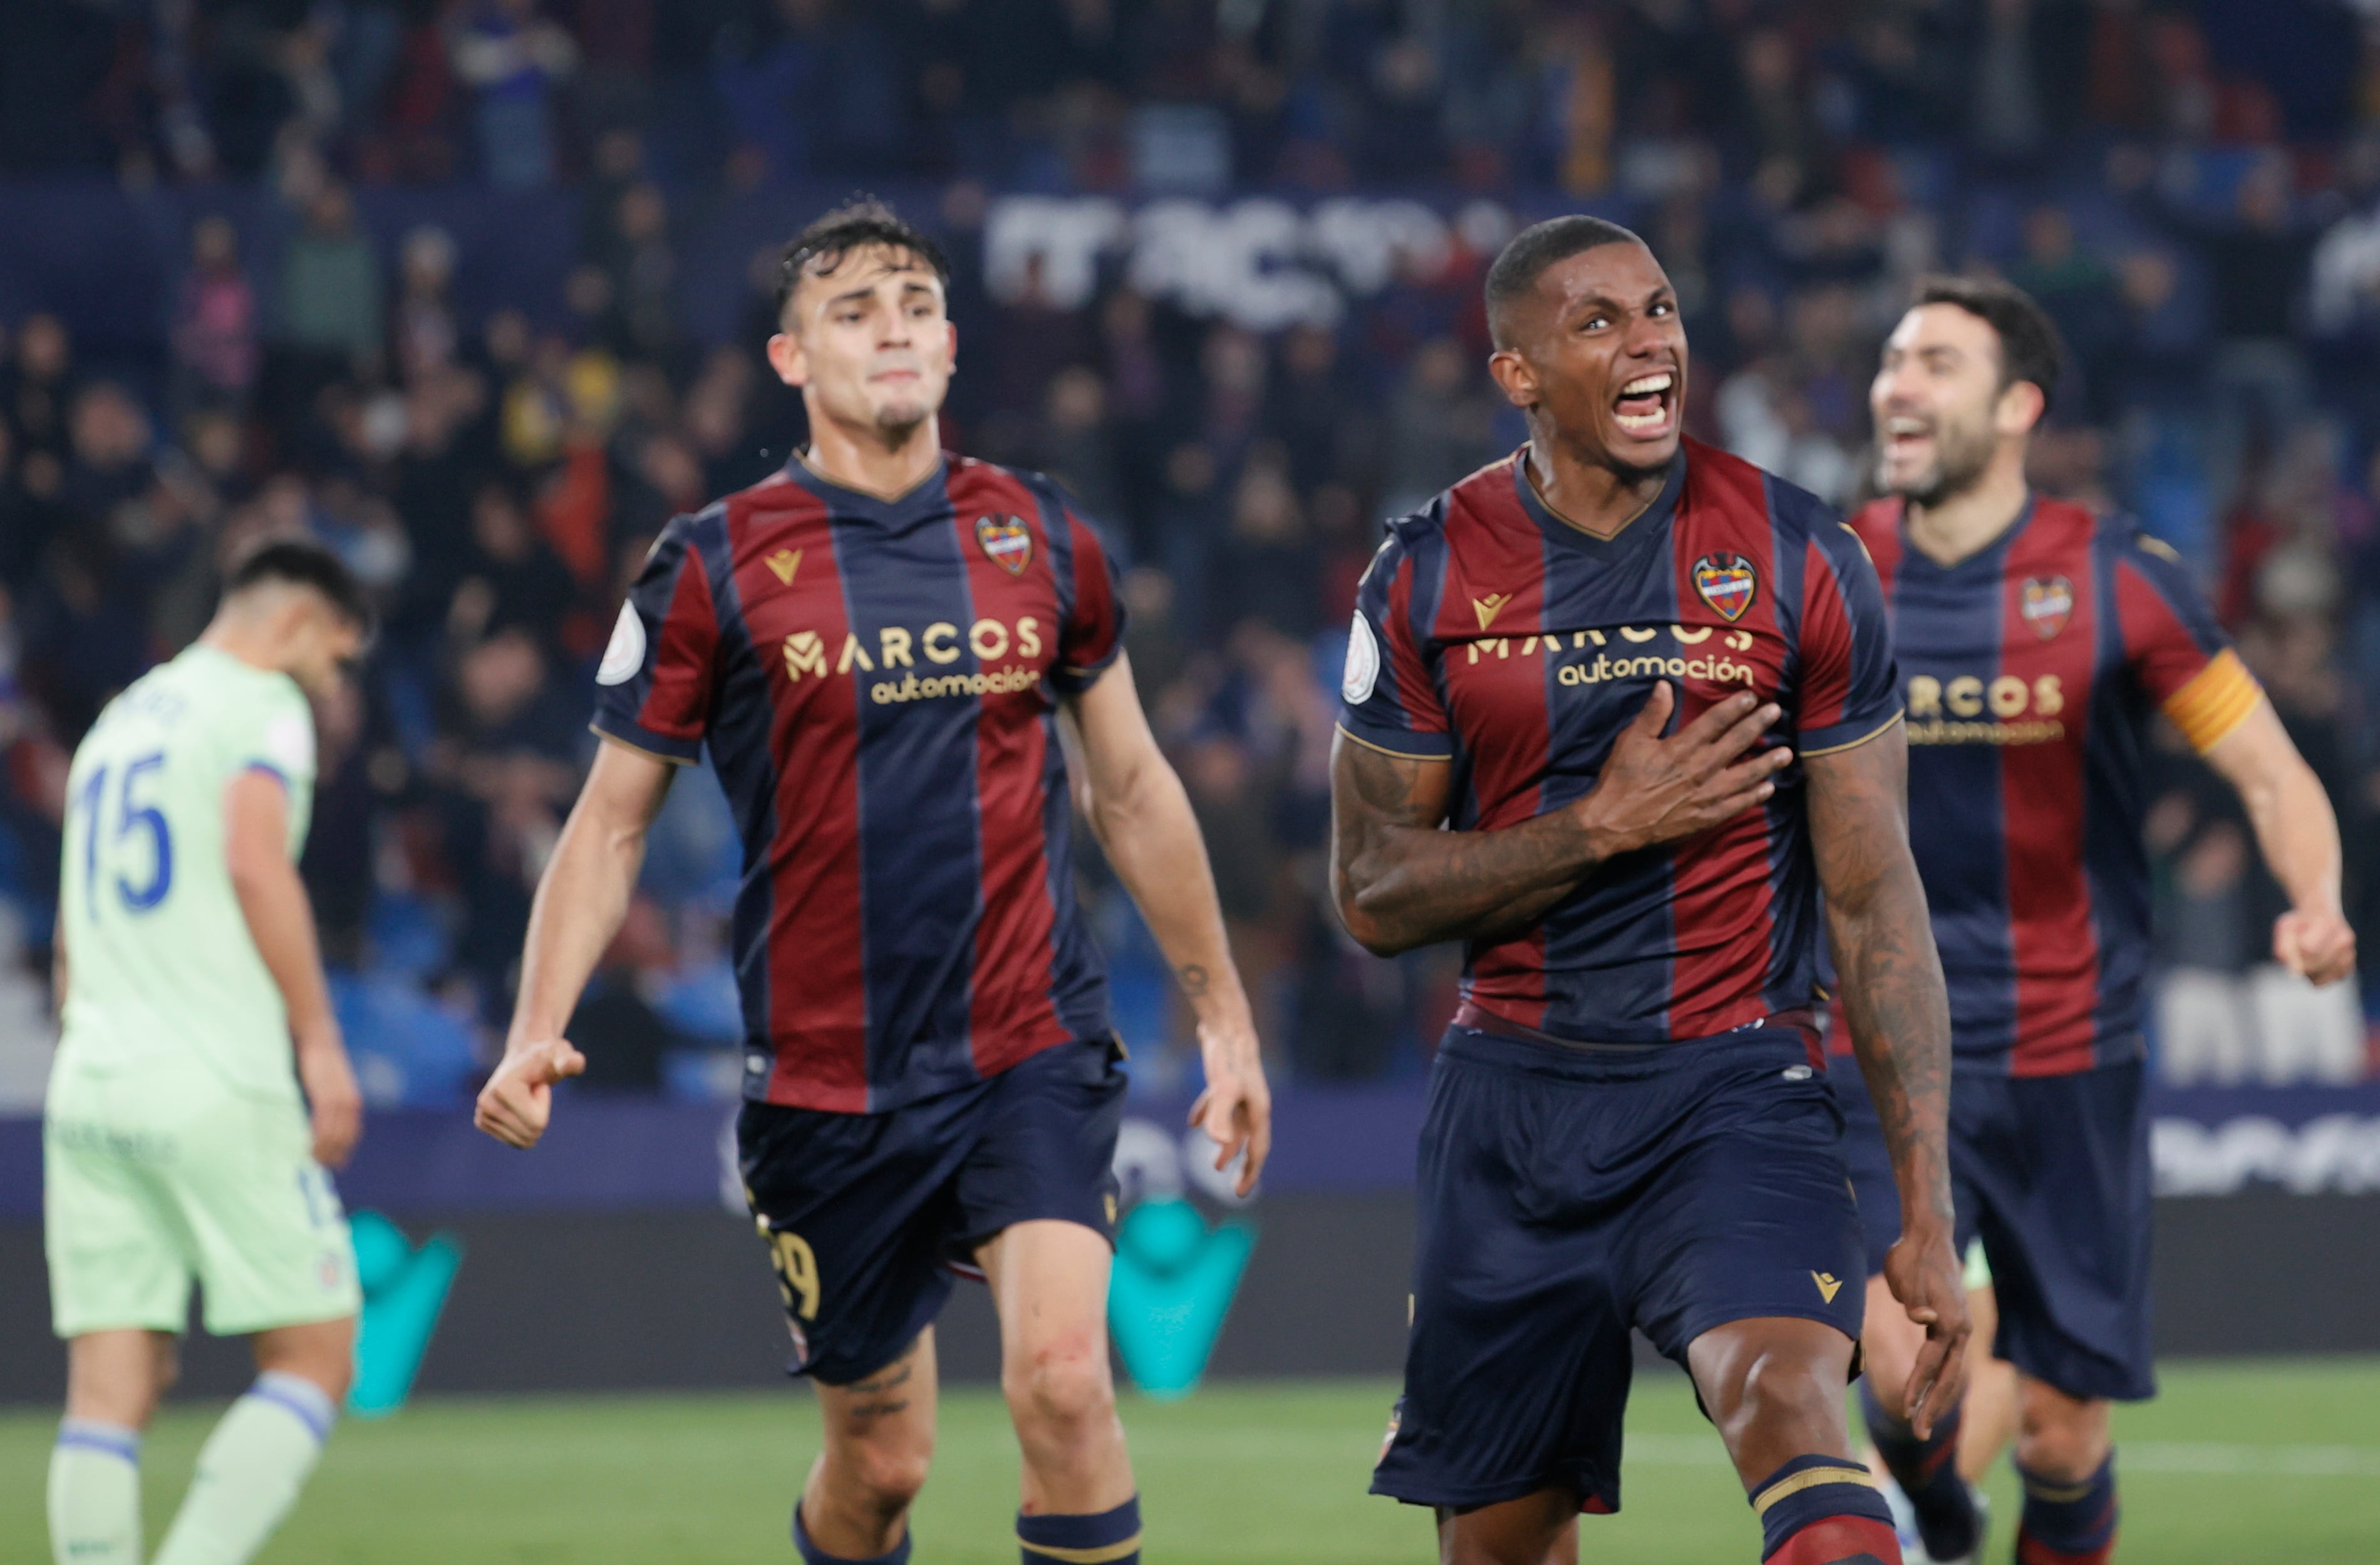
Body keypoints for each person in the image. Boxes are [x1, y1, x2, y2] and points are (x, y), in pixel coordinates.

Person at [472, 200, 1271, 1565]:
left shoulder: (1043, 536)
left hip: (1030, 1042)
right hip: (825, 1083)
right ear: (793, 359)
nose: (890, 323)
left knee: (1065, 1384)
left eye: (912, 299)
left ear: (952, 343)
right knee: (881, 1464)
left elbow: (1130, 786)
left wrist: (1223, 1014)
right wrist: (536, 1021)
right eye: (852, 307)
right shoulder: (711, 563)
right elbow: (609, 824)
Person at [1332, 214, 1970, 1565]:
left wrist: (1924, 1201)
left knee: (1787, 1401)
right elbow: (1375, 892)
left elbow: (1871, 894)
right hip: (1512, 1106)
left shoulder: (1802, 554)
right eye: (1601, 321)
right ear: (1517, 374)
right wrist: (1600, 827)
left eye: (1662, 309)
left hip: (1734, 1087)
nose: (1650, 343)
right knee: (1500, 1544)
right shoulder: (1427, 569)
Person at [1843, 276, 2358, 1565]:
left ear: (2016, 405)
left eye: (1935, 364)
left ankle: (1958, 1515)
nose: (1895, 385)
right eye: (1891, 359)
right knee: (1896, 1369)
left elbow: (2268, 771)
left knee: (2062, 1433)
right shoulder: (1830, 569)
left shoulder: (2118, 578)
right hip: (1883, 1041)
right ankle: (1935, 1513)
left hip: (2072, 1049)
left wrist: (2315, 897)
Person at [44, 537, 371, 1565]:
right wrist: (318, 1041)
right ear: (292, 624)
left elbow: (65, 943)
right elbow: (252, 859)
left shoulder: (117, 722)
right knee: (319, 1350)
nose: (333, 680)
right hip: (213, 1072)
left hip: (91, 1077)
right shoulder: (260, 702)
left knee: (108, 1388)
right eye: (334, 656)